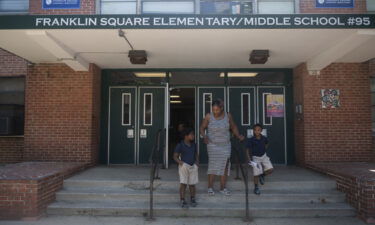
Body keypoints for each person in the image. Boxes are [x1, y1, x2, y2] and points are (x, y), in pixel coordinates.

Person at [199, 99, 244, 196]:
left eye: (217, 110)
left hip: (225, 145)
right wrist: (205, 136)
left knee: (225, 166)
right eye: (213, 110)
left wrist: (238, 135)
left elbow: (233, 127)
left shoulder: (228, 116)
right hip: (212, 145)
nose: (215, 112)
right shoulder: (208, 116)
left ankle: (223, 188)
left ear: (221, 108)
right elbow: (202, 127)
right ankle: (210, 187)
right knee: (213, 165)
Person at [173, 128, 199, 208]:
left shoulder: (194, 145)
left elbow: (196, 155)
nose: (193, 136)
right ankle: (182, 200)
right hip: (184, 166)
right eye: (191, 134)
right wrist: (181, 163)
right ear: (186, 136)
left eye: (193, 134)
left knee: (192, 184)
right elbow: (175, 156)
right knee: (183, 183)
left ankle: (192, 198)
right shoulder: (180, 145)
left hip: (192, 166)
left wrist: (197, 163)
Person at [245, 124, 274, 195]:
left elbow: (267, 144)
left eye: (258, 130)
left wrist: (264, 149)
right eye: (255, 130)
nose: (257, 131)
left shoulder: (264, 138)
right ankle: (256, 187)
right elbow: (247, 150)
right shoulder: (251, 140)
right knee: (256, 173)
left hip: (264, 156)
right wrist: (249, 159)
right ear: (253, 131)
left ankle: (262, 175)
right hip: (256, 158)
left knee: (270, 169)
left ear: (261, 131)